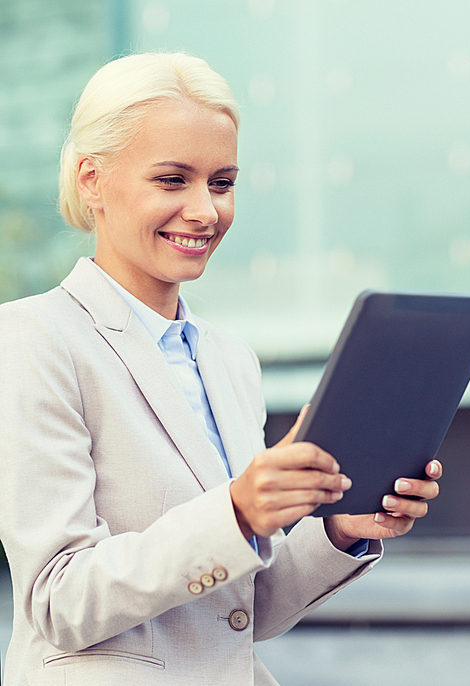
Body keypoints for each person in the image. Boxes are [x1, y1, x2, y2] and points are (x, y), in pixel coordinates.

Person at [0, 52, 441, 686]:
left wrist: (341, 530)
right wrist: (235, 511)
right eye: (173, 180)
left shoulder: (230, 360)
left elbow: (241, 610)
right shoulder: (33, 339)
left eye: (223, 182)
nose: (207, 210)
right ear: (92, 179)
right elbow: (59, 601)